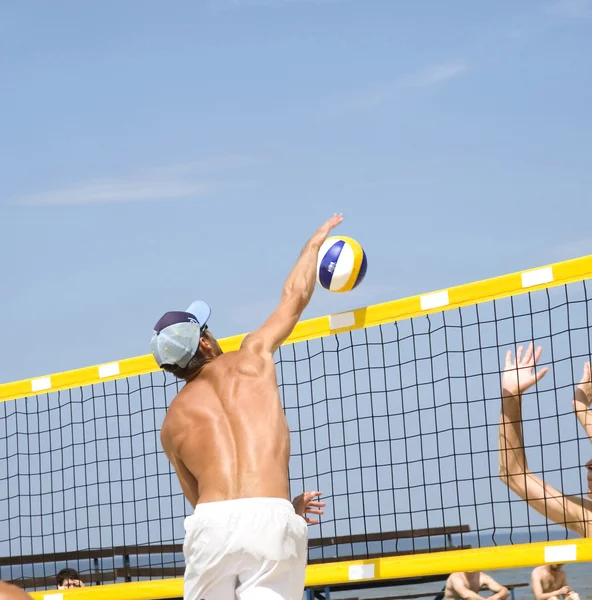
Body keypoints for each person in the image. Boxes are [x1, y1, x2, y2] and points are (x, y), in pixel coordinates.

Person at [152, 214, 342, 600]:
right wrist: (313, 245)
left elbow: (203, 499)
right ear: (204, 343)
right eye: (207, 330)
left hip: (211, 527)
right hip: (270, 522)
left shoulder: (172, 424)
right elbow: (295, 297)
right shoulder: (252, 356)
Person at [498, 344, 592, 537]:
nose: (588, 467)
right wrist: (511, 397)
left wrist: (581, 409)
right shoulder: (587, 518)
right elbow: (514, 475)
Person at [443, 571, 510, 600]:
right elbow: (465, 595)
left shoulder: (482, 577)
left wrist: (495, 597)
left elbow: (505, 591)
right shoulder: (456, 577)